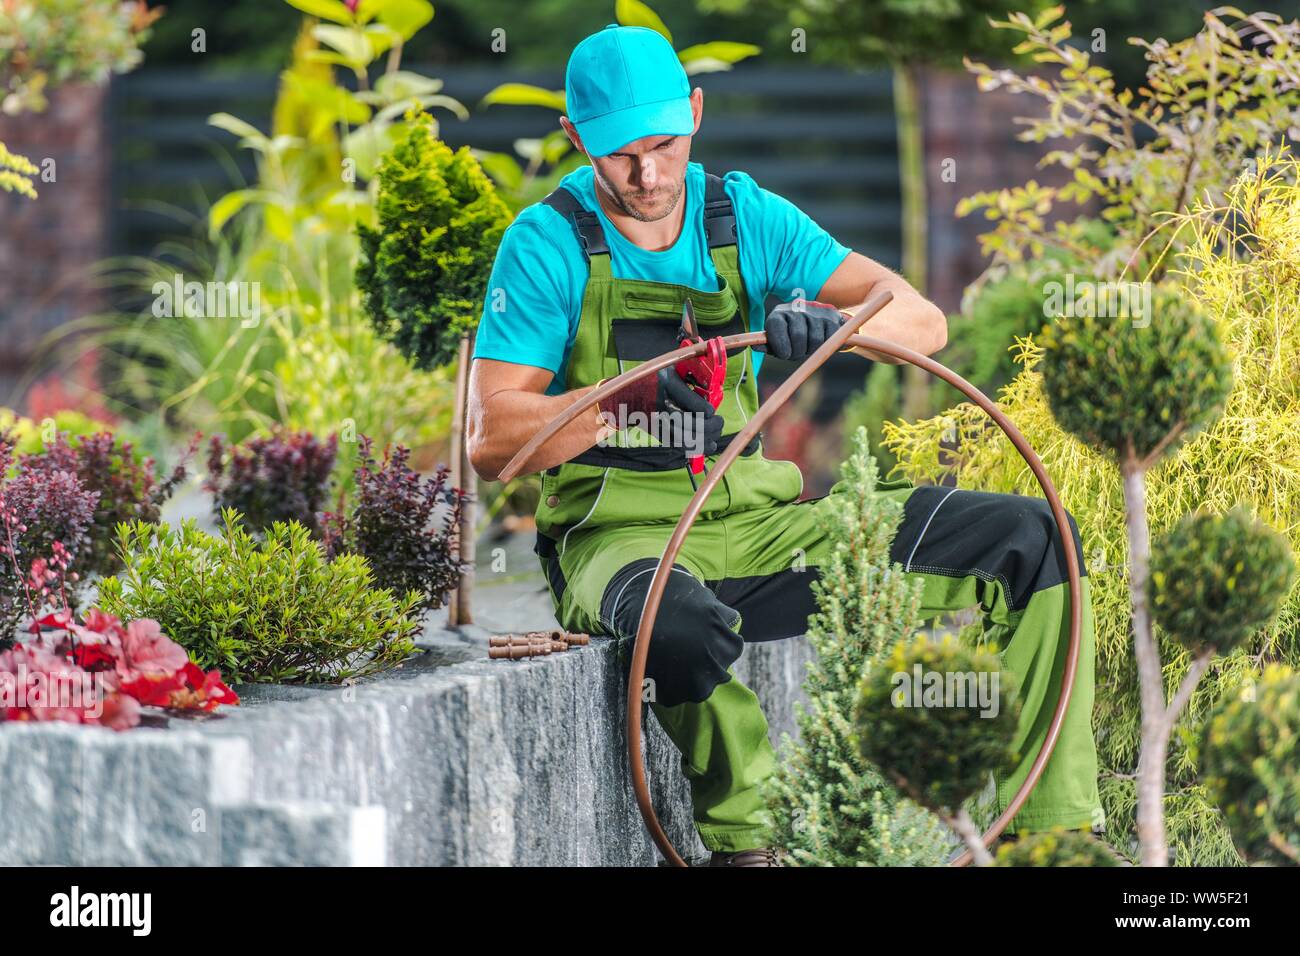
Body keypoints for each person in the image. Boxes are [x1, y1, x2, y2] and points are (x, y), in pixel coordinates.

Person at [467, 23, 1102, 867]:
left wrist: (837, 327)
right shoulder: (546, 245)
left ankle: (1054, 838)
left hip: (769, 532)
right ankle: (752, 843)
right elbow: (493, 438)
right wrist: (619, 402)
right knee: (675, 624)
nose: (648, 175)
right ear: (576, 138)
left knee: (1036, 539)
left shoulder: (744, 216)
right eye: (621, 156)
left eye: (664, 146)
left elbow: (924, 322)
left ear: (696, 114)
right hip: (623, 542)